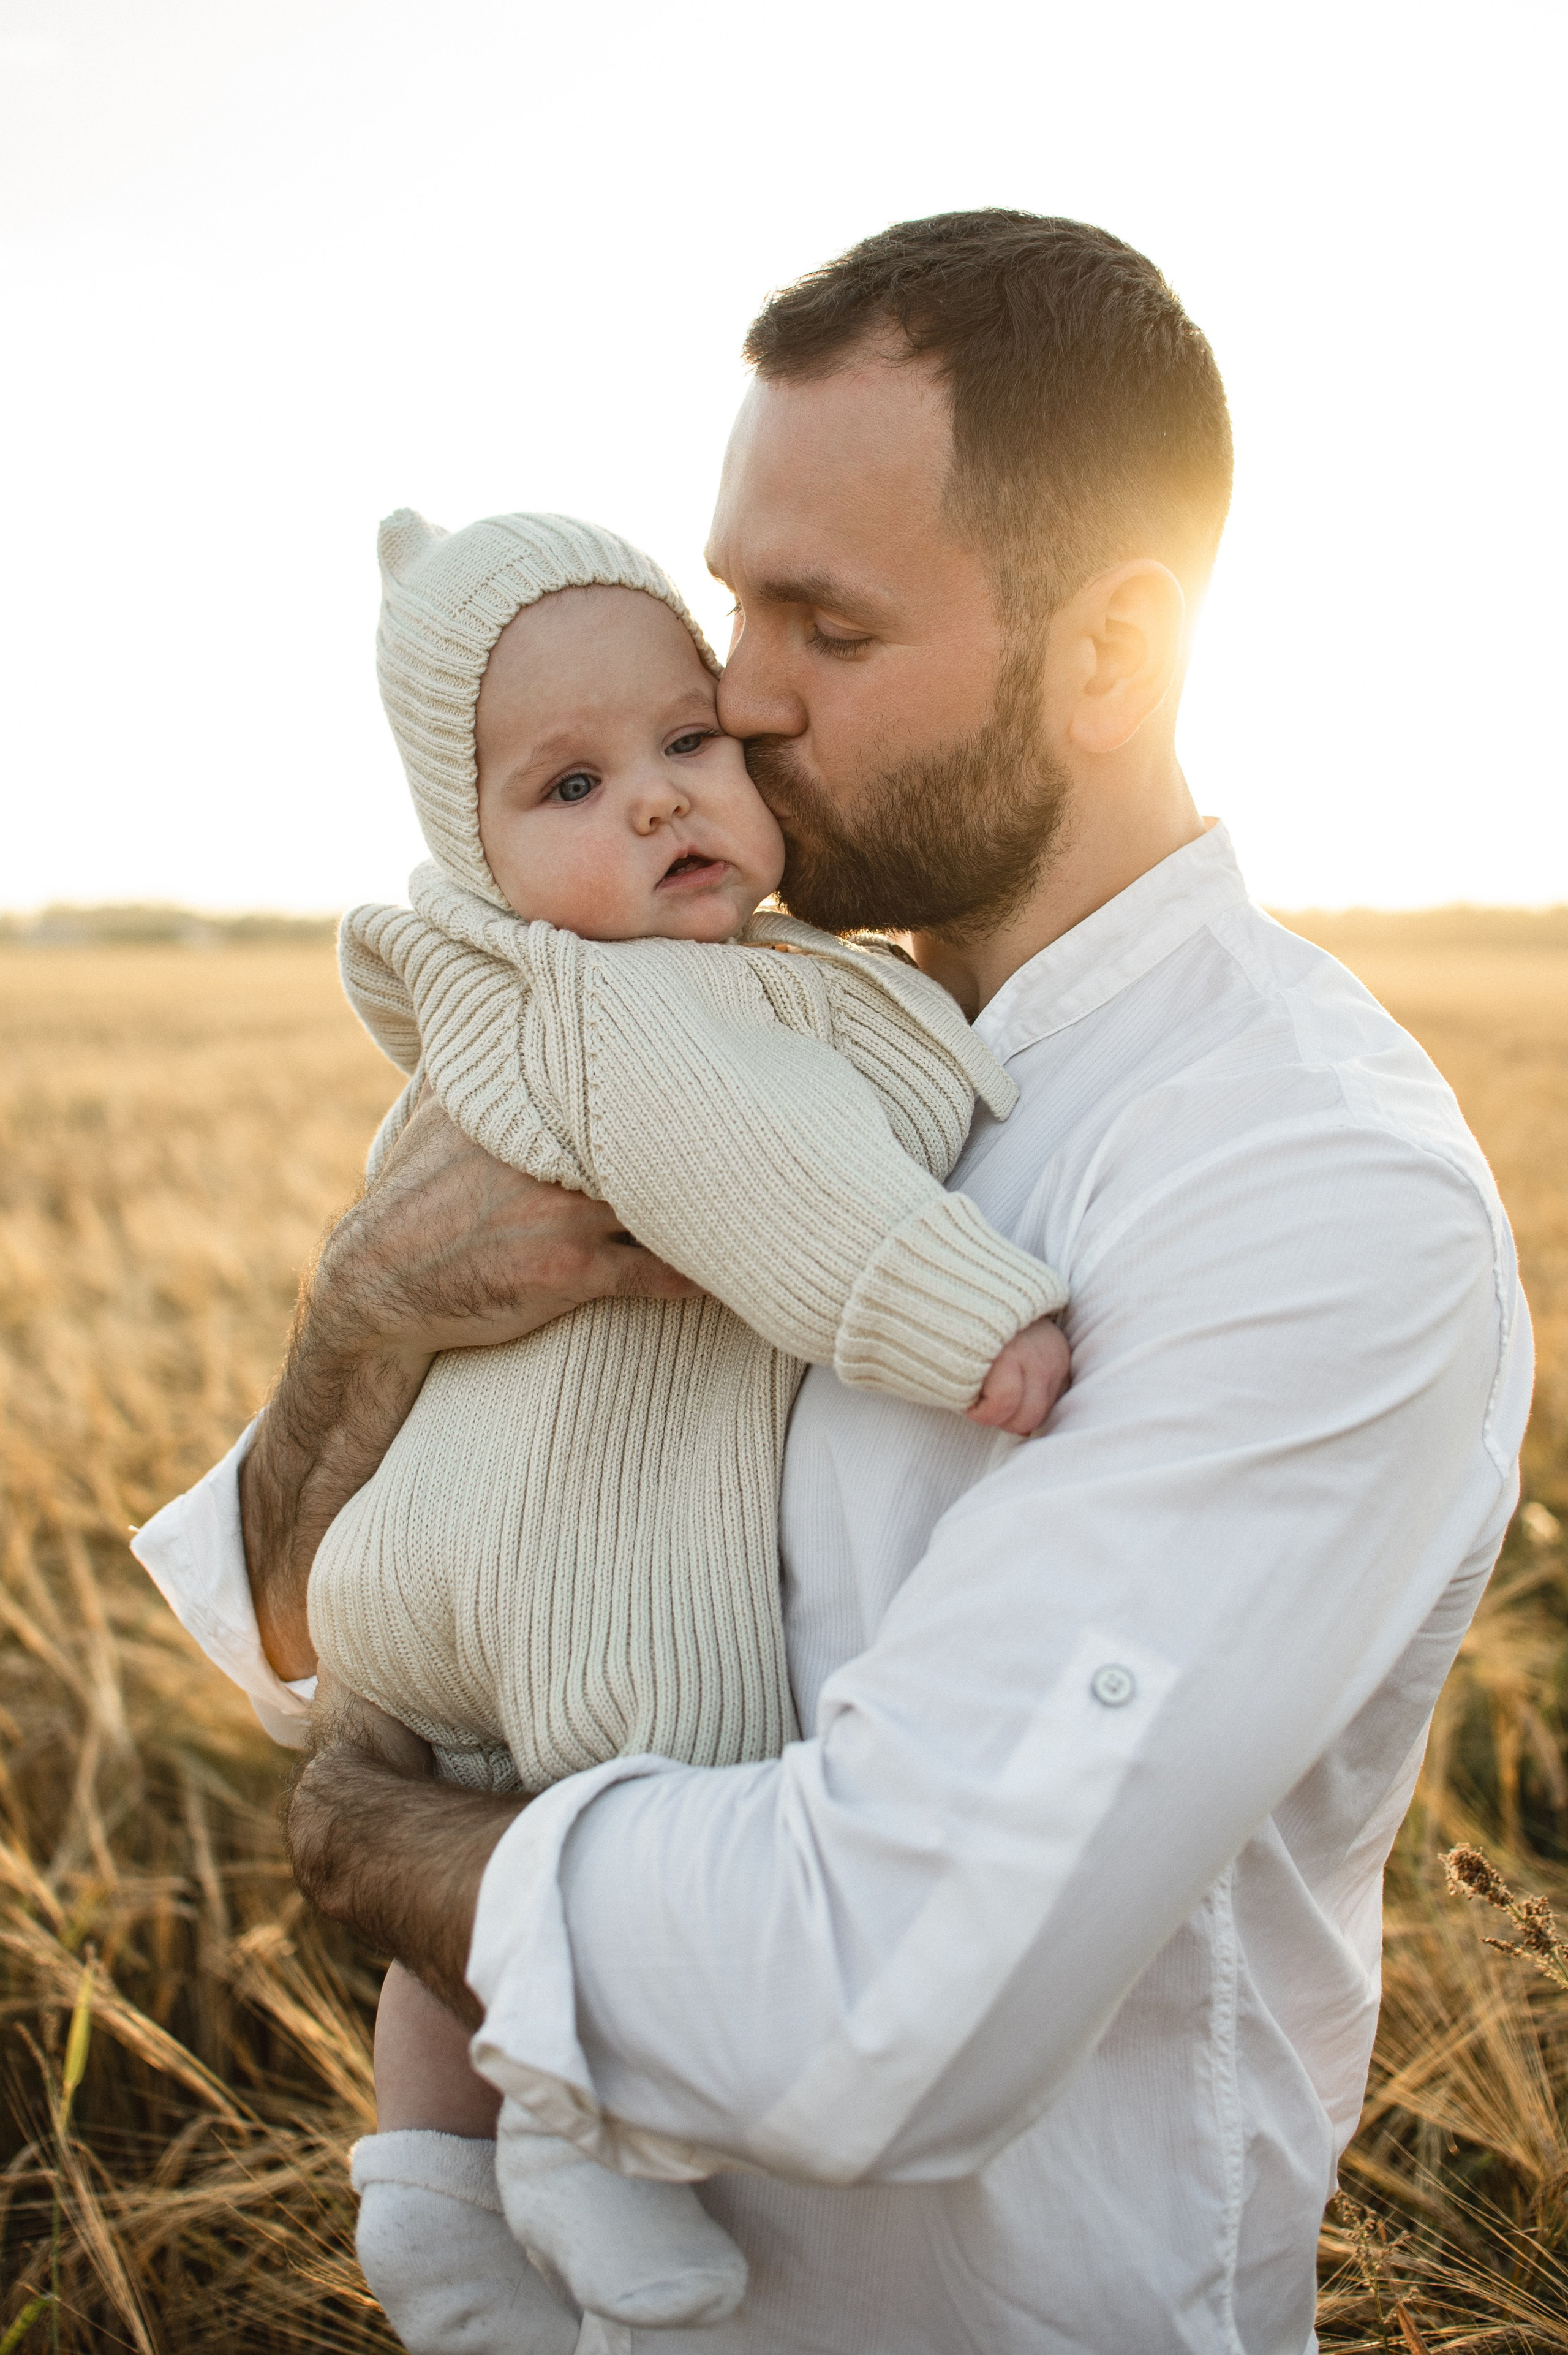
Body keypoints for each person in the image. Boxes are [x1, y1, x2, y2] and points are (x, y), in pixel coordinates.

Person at [134, 211, 1531, 2354]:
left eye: (829, 622)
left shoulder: (1305, 1187)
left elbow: (882, 1991)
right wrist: (363, 1320)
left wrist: (375, 1846)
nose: (737, 692)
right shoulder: (725, 1033)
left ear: (1113, 652)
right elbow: (328, 1638)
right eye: (733, 598)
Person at [312, 502, 1068, 2345]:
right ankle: (585, 2137)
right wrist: (968, 1317)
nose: (655, 801)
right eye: (568, 786)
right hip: (578, 1555)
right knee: (658, 1781)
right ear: (467, 852)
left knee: (469, 1812)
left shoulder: (527, 998)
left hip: (416, 1570)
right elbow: (774, 1172)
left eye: (686, 741)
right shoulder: (632, 1012)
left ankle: (422, 2190)